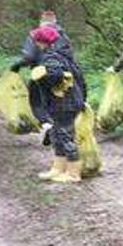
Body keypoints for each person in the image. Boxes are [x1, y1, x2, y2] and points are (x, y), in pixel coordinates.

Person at [29, 25, 88, 184]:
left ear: (42, 42)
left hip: (63, 104)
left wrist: (42, 77)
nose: (35, 43)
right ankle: (58, 168)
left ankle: (73, 172)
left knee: (65, 136)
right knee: (56, 135)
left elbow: (55, 76)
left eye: (36, 40)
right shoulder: (63, 55)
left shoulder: (50, 57)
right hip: (66, 102)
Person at [10, 10, 73, 141]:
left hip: (41, 75)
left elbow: (29, 56)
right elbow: (70, 56)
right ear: (55, 22)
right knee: (59, 102)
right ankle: (61, 129)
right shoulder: (64, 36)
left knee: (37, 102)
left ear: (41, 22)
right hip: (63, 75)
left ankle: (47, 125)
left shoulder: (35, 35)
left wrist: (17, 65)